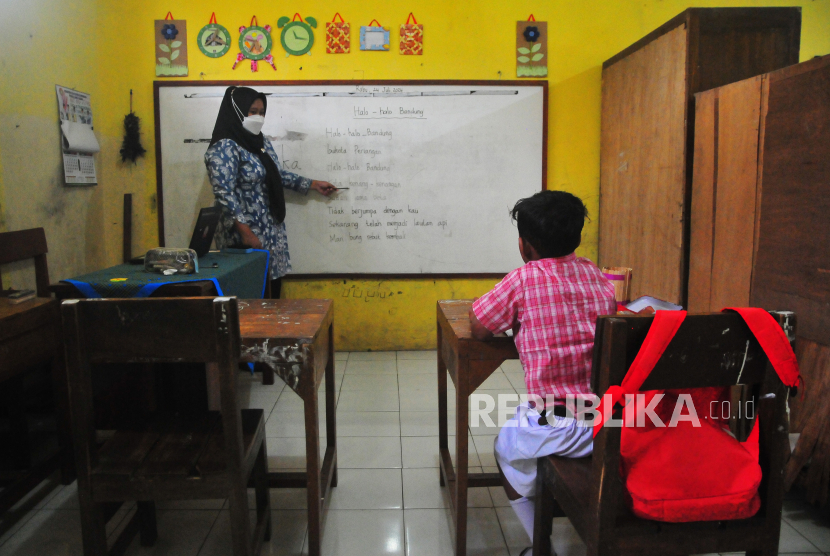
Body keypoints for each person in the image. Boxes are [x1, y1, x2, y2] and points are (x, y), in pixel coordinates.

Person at [469, 190, 616, 553]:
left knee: (505, 449)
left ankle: (541, 545)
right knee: (531, 432)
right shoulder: (596, 275)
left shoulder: (522, 280)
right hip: (610, 419)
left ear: (524, 246)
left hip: (560, 424)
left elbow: (479, 327)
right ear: (578, 237)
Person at [204, 86, 336, 297]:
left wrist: (312, 184)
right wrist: (246, 232)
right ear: (237, 111)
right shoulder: (225, 147)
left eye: (262, 112)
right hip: (244, 238)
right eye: (252, 111)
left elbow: (275, 174)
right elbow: (224, 193)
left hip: (269, 233)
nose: (258, 117)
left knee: (271, 296)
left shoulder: (260, 141)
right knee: (249, 297)